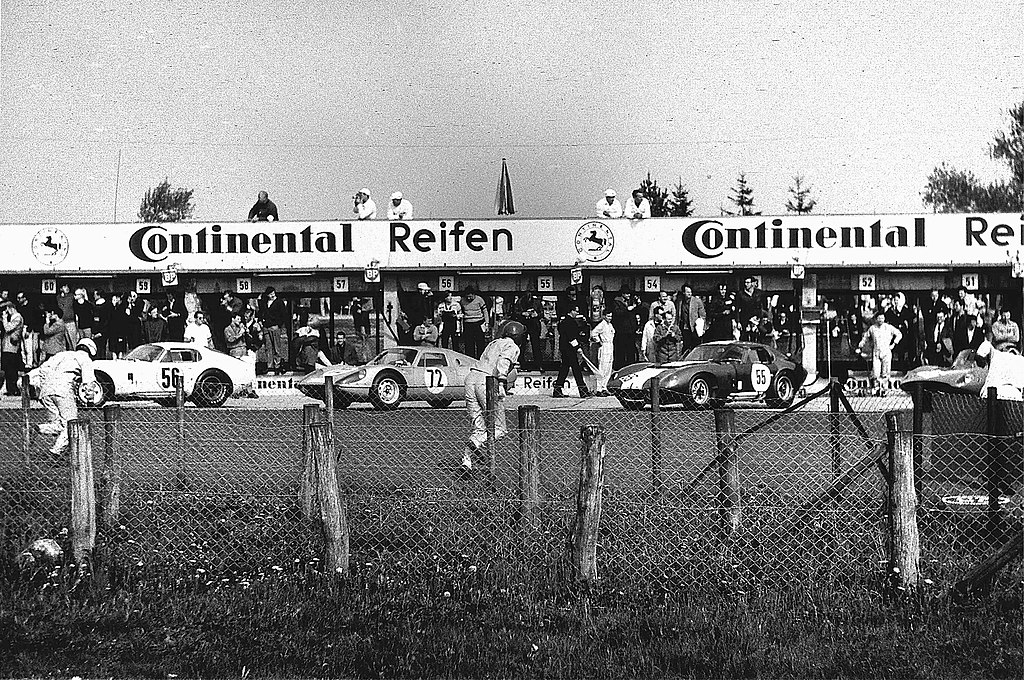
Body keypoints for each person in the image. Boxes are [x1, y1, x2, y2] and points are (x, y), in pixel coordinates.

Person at [461, 320, 524, 472]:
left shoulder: (493, 343)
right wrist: (502, 383)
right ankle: (476, 443)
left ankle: (467, 461)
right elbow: (503, 361)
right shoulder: (512, 346)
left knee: (478, 425)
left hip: (471, 378)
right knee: (500, 428)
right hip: (487, 381)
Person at [32, 338, 99, 457]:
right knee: (71, 425)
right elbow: (89, 381)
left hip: (46, 391)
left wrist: (42, 387)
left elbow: (42, 370)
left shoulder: (61, 354)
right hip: (63, 391)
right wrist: (90, 399)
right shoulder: (85, 359)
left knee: (59, 425)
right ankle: (55, 453)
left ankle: (39, 428)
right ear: (91, 351)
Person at [857, 312, 903, 394]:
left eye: (882, 318)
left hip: (886, 351)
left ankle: (884, 389)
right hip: (876, 352)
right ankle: (876, 388)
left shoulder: (888, 327)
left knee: (885, 372)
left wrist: (893, 344)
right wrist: (862, 343)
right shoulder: (872, 328)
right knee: (876, 372)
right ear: (876, 319)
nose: (881, 320)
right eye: (879, 318)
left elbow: (899, 334)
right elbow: (866, 336)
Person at [553, 307, 591, 398]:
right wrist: (577, 347)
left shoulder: (564, 322)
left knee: (565, 368)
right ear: (571, 311)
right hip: (569, 348)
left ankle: (558, 388)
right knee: (576, 368)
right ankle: (582, 390)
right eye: (576, 311)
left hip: (565, 348)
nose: (577, 313)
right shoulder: (569, 322)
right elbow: (571, 337)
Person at [258, 287, 289, 374]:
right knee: (268, 347)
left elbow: (283, 314)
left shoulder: (279, 302)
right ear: (267, 295)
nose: (272, 295)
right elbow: (261, 311)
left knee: (276, 347)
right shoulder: (265, 302)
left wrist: (278, 324)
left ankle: (277, 366)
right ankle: (270, 366)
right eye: (270, 294)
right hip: (266, 327)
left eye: (273, 293)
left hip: (275, 326)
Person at [513, 291, 545, 371]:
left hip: (534, 324)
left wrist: (536, 315)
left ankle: (539, 364)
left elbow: (541, 313)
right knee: (522, 345)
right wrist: (523, 314)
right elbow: (515, 312)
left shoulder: (537, 302)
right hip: (523, 324)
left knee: (536, 345)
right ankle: (522, 364)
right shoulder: (520, 302)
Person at [610, 287, 639, 369]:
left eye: (629, 294)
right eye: (626, 294)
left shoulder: (630, 301)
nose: (628, 295)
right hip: (621, 331)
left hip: (630, 331)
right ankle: (619, 368)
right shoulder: (616, 302)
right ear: (622, 294)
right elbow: (617, 313)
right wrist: (627, 309)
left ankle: (631, 367)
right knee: (620, 352)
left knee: (630, 351)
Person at [590, 309, 615, 396]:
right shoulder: (602, 324)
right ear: (604, 316)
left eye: (611, 316)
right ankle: (599, 389)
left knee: (608, 368)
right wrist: (598, 341)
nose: (610, 318)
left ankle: (604, 387)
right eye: (608, 316)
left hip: (610, 346)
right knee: (602, 368)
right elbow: (593, 333)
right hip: (604, 346)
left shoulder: (610, 325)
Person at [2, 301, 25, 395]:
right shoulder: (13, 317)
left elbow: (8, 328)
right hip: (8, 346)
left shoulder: (17, 317)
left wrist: (4, 318)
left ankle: (13, 389)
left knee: (11, 368)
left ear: (10, 308)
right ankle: (10, 389)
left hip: (12, 346)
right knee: (8, 368)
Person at [675, 284, 706, 354]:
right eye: (687, 292)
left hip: (695, 328)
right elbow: (678, 315)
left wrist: (702, 328)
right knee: (685, 346)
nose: (689, 294)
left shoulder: (697, 301)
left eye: (690, 292)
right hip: (685, 327)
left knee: (696, 346)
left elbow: (702, 315)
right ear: (683, 293)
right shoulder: (680, 301)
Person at [460, 286, 489, 358]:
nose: (469, 298)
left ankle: (480, 359)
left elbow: (485, 311)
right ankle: (470, 359)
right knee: (469, 343)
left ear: (474, 295)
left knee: (480, 343)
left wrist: (487, 323)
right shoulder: (462, 300)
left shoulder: (479, 299)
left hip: (478, 323)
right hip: (468, 323)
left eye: (470, 296)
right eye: (467, 297)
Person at [16, 291, 43, 369]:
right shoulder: (19, 307)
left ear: (24, 298)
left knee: (28, 347)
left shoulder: (31, 307)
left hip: (27, 328)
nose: (18, 300)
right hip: (20, 328)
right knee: (22, 347)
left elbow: (33, 320)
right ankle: (24, 363)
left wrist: (29, 330)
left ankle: (29, 364)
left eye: (19, 298)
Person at [91, 289, 112, 360]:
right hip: (96, 331)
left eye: (95, 294)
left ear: (98, 295)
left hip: (103, 331)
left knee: (101, 349)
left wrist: (101, 332)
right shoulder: (94, 305)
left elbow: (107, 320)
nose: (93, 296)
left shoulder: (107, 306)